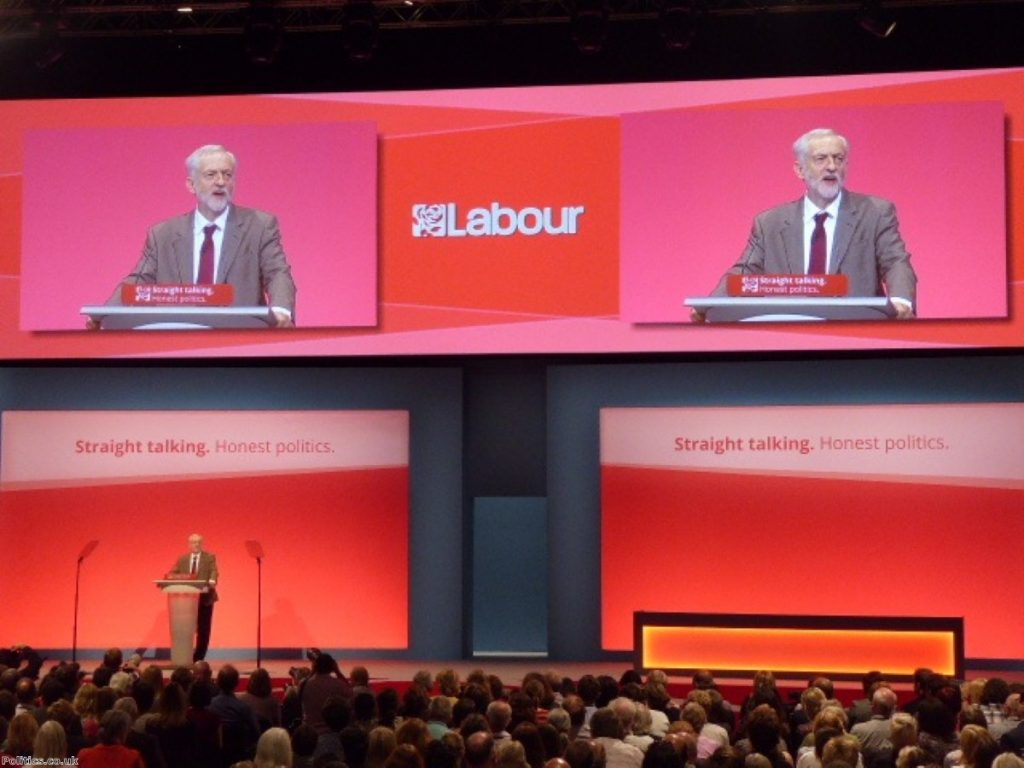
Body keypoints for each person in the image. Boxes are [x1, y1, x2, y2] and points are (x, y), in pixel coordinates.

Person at [696, 127, 917, 321]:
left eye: (838, 159)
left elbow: (895, 260)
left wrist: (901, 301)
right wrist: (711, 306)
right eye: (821, 159)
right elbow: (744, 272)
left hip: (855, 336)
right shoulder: (770, 223)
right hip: (791, 339)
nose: (832, 166)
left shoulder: (875, 212)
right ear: (799, 170)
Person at [97, 143, 297, 328]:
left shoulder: (259, 225)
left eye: (227, 175)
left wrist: (280, 311)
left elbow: (277, 272)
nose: (221, 182)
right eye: (211, 175)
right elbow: (138, 281)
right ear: (191, 185)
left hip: (239, 343)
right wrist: (105, 315)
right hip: (179, 346)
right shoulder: (163, 234)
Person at [172, 533, 219, 662]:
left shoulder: (209, 557)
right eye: (193, 542)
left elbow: (214, 571)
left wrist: (212, 580)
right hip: (186, 600)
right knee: (186, 628)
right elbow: (173, 573)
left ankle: (199, 658)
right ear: (189, 544)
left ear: (201, 543)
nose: (196, 544)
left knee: (203, 628)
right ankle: (184, 656)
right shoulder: (182, 559)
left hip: (205, 598)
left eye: (198, 542)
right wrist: (171, 578)